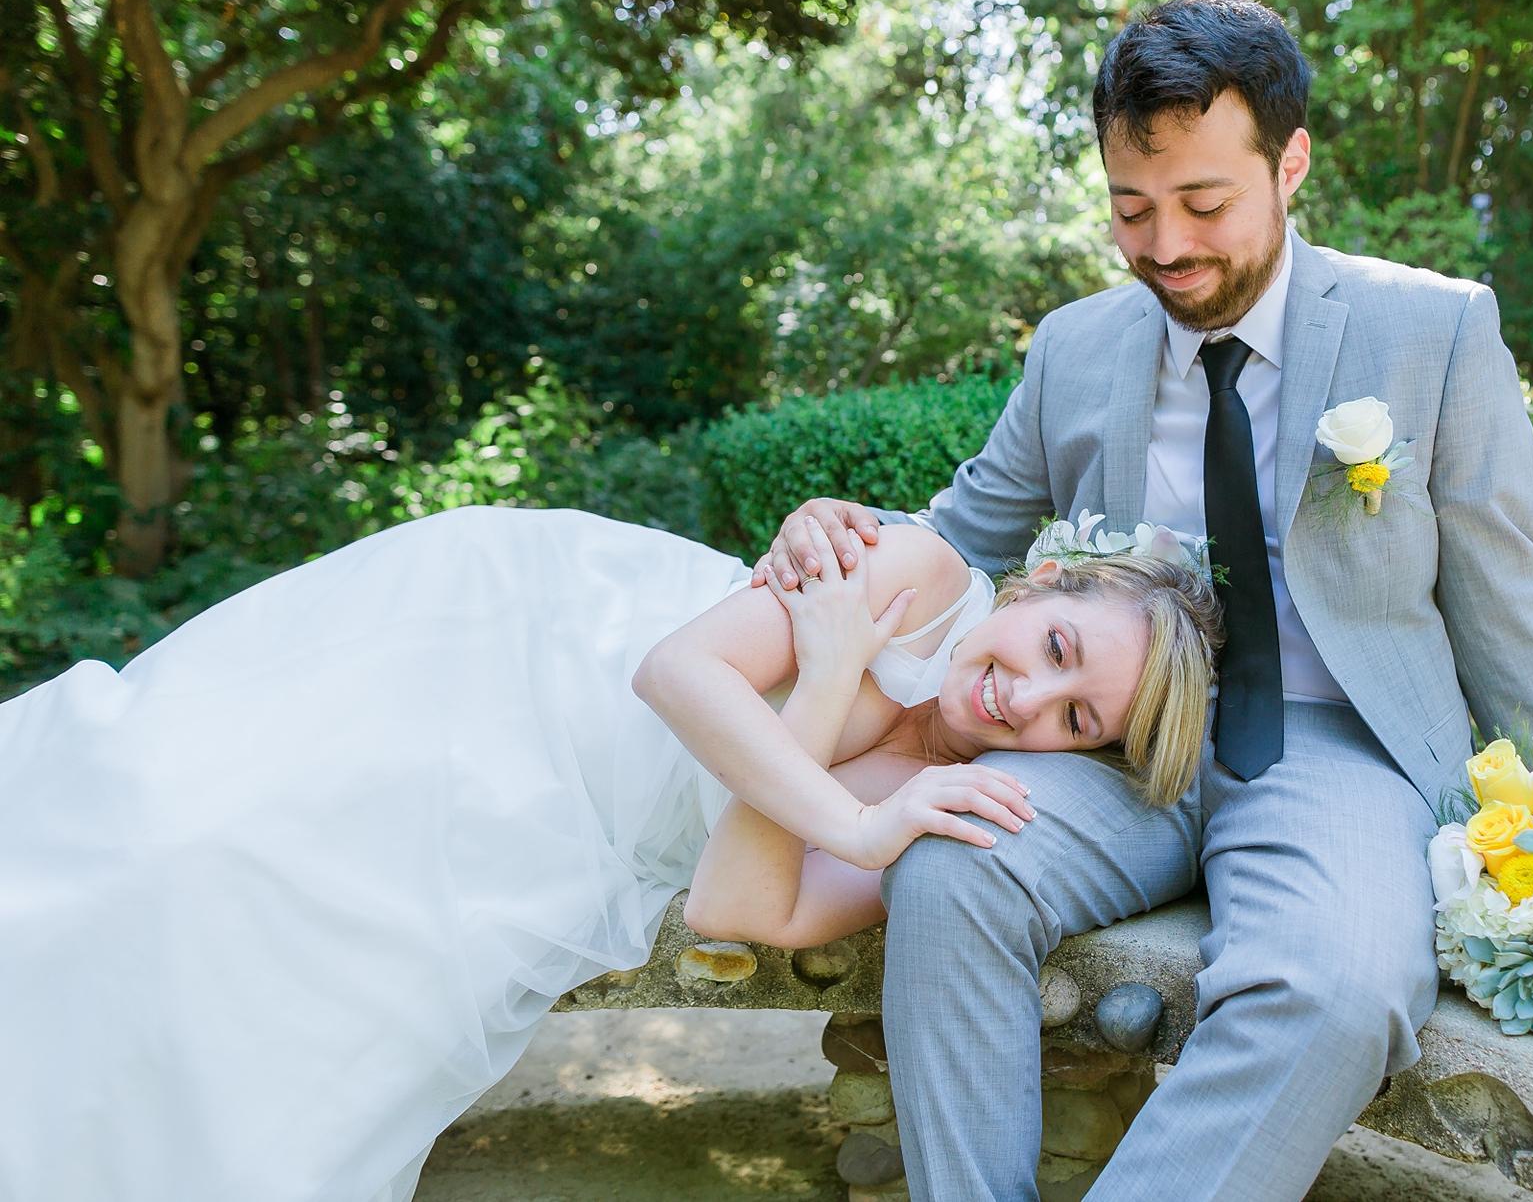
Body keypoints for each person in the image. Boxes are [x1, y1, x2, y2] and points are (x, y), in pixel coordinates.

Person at [756, 0, 1533, 1200]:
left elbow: (1504, 593)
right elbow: (961, 529)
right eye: (1129, 208)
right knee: (947, 870)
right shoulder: (1074, 346)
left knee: (1336, 991)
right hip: (1101, 745)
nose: (1163, 245)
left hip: (1332, 747)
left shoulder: (1432, 329)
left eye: (1202, 202)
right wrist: (838, 528)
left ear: (1289, 164)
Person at [0, 502, 1220, 1202]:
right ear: (1039, 583)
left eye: (1074, 720)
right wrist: (841, 808)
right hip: (520, 643)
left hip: (572, 808)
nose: (1026, 700)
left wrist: (828, 683)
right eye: (1056, 647)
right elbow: (675, 670)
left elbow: (731, 903)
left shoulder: (929, 795)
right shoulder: (928, 576)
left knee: (259, 906)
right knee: (177, 807)